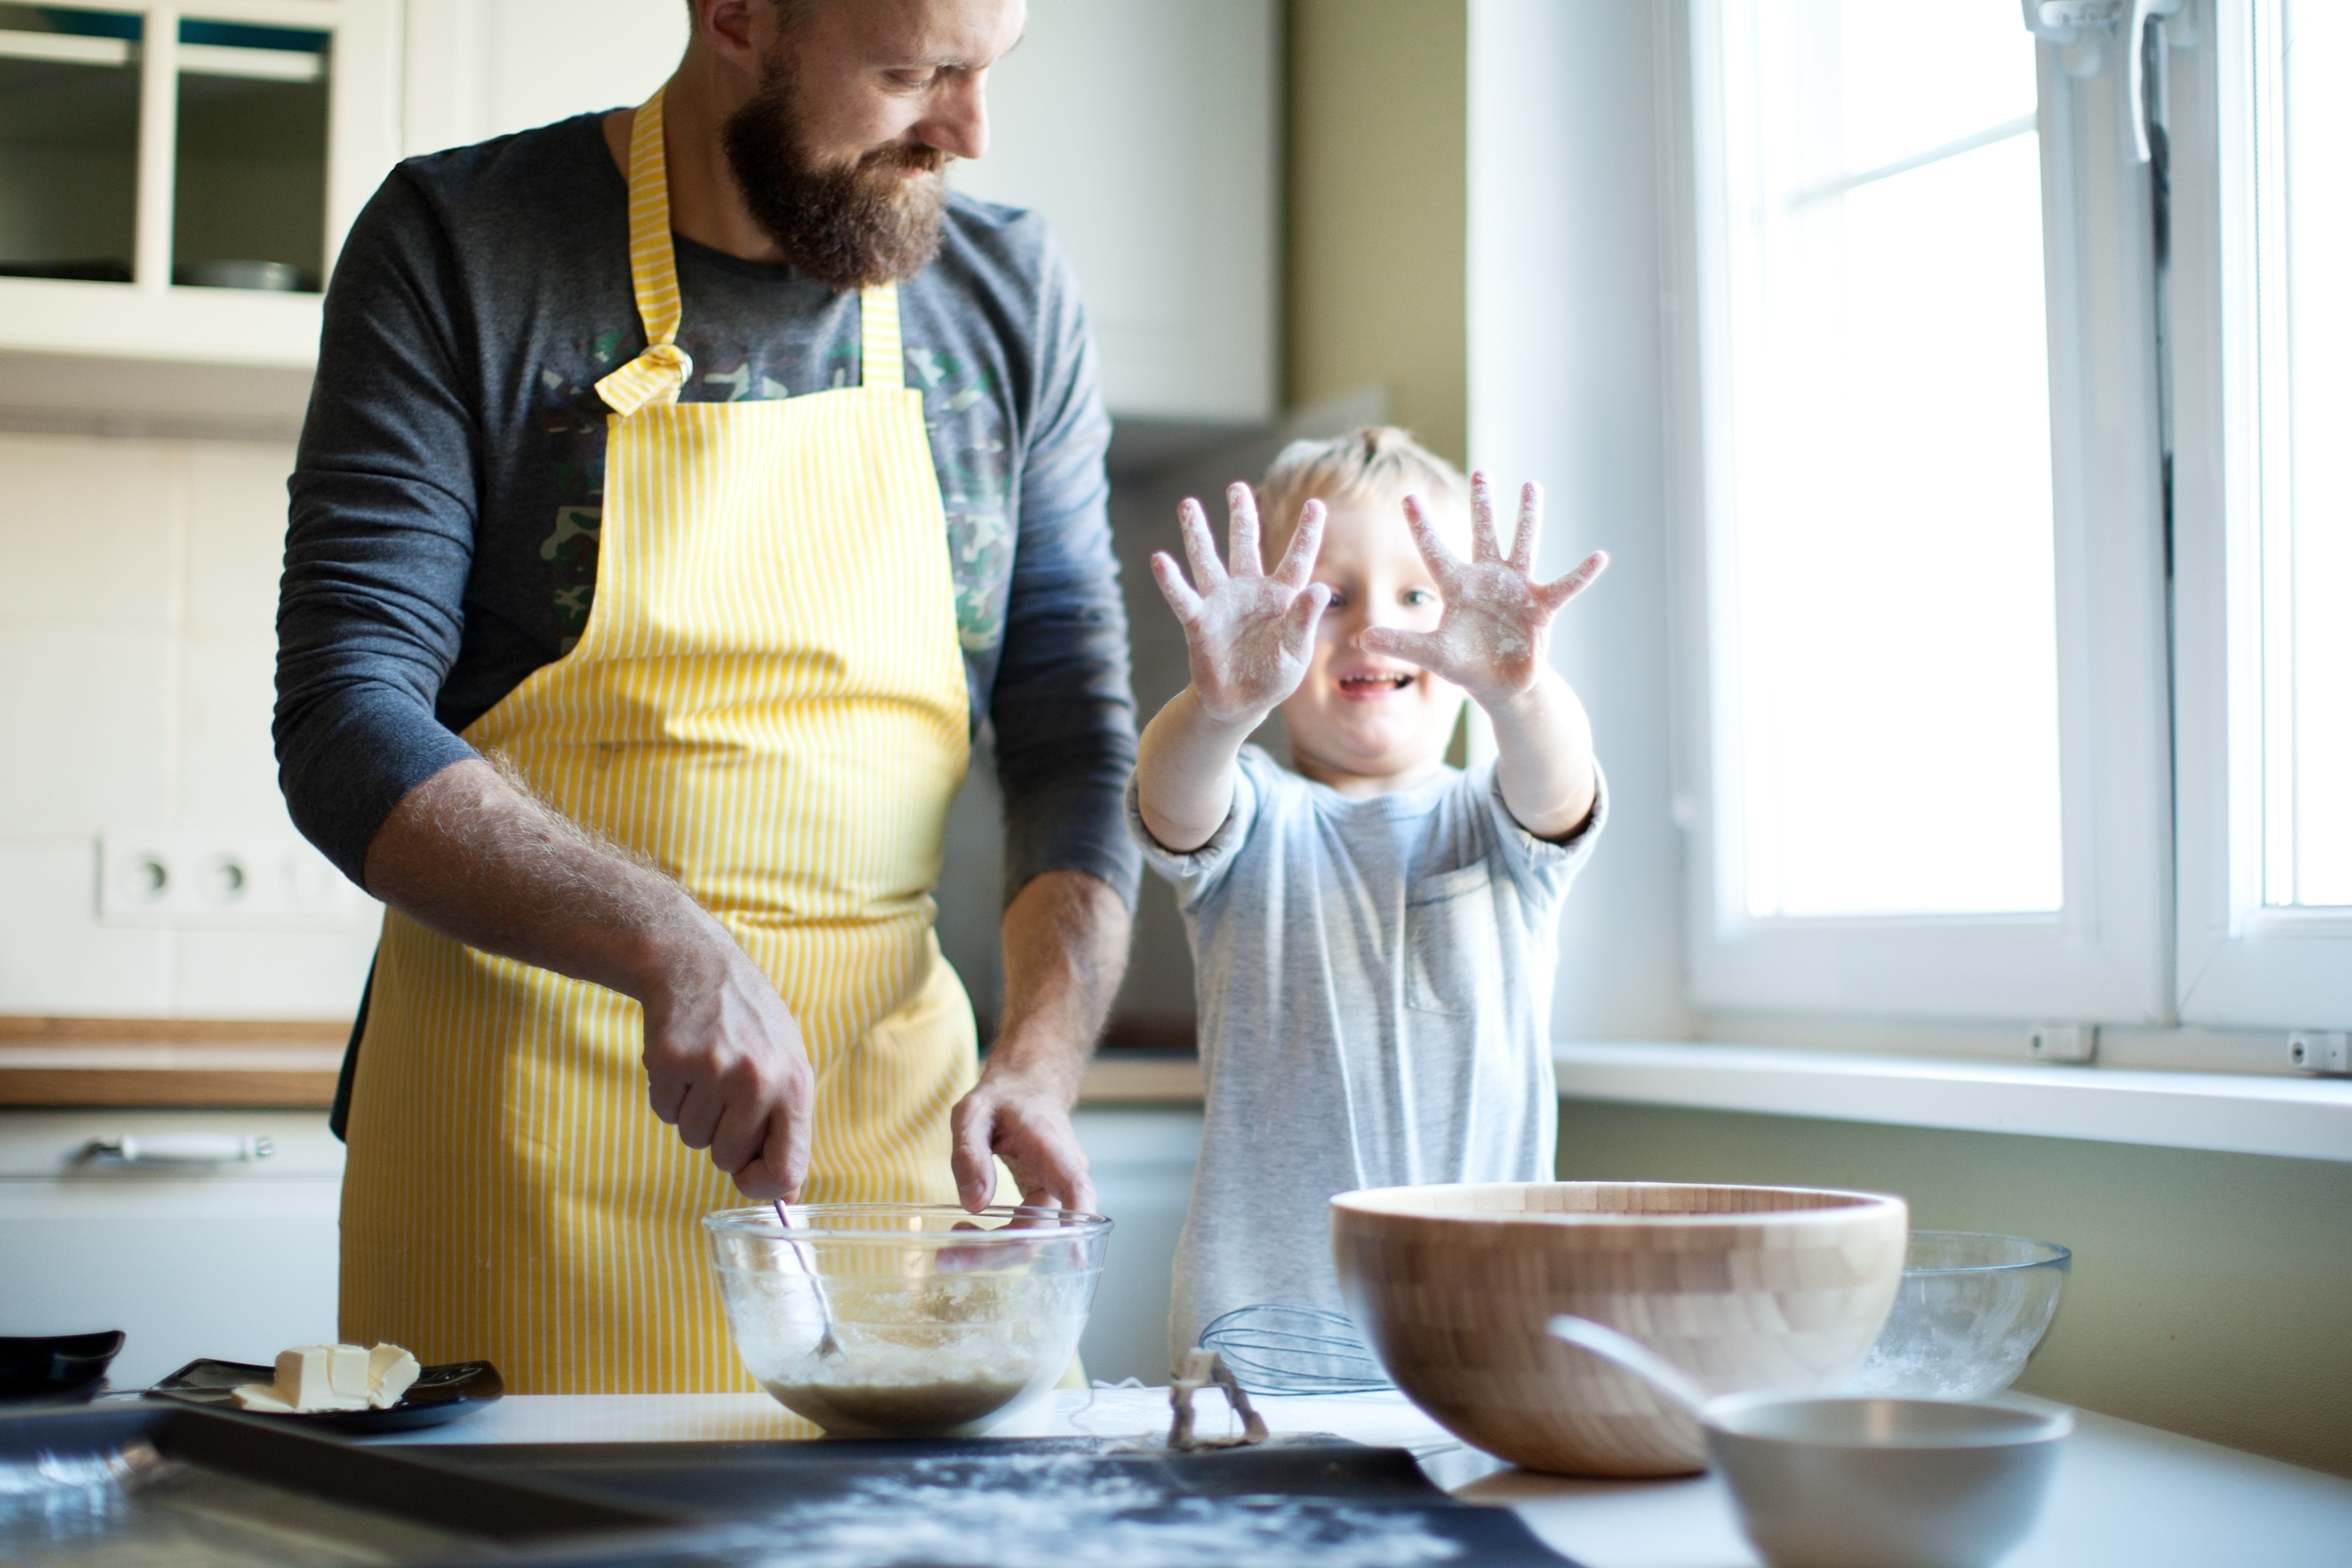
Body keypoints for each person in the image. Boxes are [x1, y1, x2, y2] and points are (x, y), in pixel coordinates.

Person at [274, 0, 1140, 1392]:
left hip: (888, 1166)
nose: (967, 133)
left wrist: (1039, 1058)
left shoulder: (1009, 291)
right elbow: (343, 717)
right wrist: (671, 944)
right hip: (520, 1153)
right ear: (736, 16)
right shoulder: (464, 243)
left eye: (990, 73)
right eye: (915, 74)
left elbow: (1073, 730)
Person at [1128, 428, 1608, 1361]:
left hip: (1490, 1334)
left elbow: (1563, 784)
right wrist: (1220, 707)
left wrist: (1521, 692)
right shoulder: (1257, 814)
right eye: (1328, 596)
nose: (1370, 626)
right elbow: (1173, 797)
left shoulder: (1498, 821)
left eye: (1417, 595)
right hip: (1263, 1345)